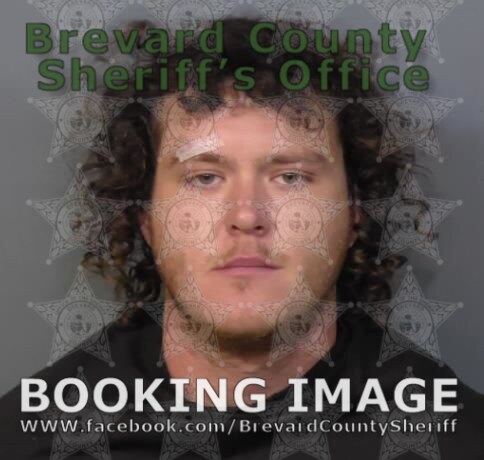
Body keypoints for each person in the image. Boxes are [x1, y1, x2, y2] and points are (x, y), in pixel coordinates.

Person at [1, 18, 483, 460]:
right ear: (144, 216)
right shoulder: (32, 439)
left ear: (355, 212)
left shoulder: (454, 439)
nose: (247, 215)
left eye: (291, 177)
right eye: (204, 178)